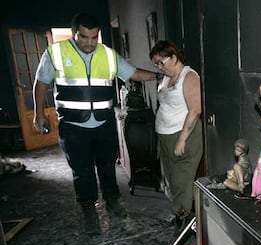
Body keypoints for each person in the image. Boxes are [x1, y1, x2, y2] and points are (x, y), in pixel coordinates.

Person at [33, 13, 161, 224]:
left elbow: (133, 73)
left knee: (107, 166)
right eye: (84, 37)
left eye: (94, 37)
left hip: (104, 124)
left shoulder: (108, 55)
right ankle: (88, 209)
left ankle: (113, 201)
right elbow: (41, 84)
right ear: (75, 34)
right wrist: (38, 115)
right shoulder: (56, 52)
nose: (90, 42)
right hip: (73, 125)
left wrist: (159, 75)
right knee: (82, 170)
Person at [149, 41, 203, 232]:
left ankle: (186, 222)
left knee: (182, 179)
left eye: (161, 62)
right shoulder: (165, 77)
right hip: (166, 134)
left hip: (183, 135)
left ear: (174, 57)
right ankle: (180, 215)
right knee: (171, 178)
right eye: (156, 64)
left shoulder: (189, 76)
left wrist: (182, 139)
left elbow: (195, 110)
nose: (159, 67)